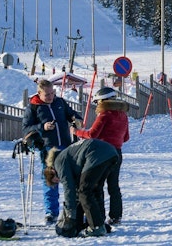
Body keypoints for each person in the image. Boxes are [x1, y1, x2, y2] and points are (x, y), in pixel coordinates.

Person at [22, 78, 83, 224]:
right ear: (39, 94)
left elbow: (71, 114)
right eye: (47, 95)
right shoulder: (33, 107)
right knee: (51, 180)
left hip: (67, 146)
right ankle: (51, 212)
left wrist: (76, 118)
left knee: (71, 179)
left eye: (52, 93)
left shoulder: (59, 102)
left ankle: (73, 208)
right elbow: (25, 129)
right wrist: (42, 127)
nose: (50, 97)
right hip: (49, 148)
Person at [73, 86, 130, 225]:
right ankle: (116, 216)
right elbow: (126, 138)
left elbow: (92, 134)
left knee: (97, 185)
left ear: (103, 101)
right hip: (117, 153)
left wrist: (77, 131)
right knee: (113, 186)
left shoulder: (105, 115)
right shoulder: (123, 115)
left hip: (102, 154)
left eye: (97, 102)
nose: (97, 105)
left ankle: (99, 216)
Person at [44, 138, 121, 238]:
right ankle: (100, 222)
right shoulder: (68, 156)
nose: (60, 181)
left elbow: (69, 188)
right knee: (95, 190)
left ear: (52, 172)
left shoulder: (58, 162)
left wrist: (70, 214)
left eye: (56, 180)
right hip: (111, 152)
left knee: (84, 191)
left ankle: (96, 227)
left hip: (95, 154)